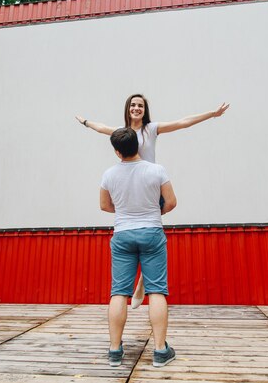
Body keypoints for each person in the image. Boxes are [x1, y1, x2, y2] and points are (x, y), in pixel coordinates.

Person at [77, 94, 229, 308]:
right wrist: (85, 122)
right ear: (127, 109)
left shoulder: (151, 129)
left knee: (150, 235)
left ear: (144, 109)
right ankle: (142, 282)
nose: (136, 108)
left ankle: (142, 283)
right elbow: (101, 127)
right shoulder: (122, 132)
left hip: (150, 187)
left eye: (140, 105)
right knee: (145, 237)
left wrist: (212, 114)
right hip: (130, 187)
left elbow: (182, 122)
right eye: (133, 105)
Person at [100, 127, 177, 367]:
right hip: (152, 232)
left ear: (116, 151)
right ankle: (160, 351)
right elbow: (172, 202)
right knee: (156, 291)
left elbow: (104, 206)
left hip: (123, 233)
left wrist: (126, 211)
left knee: (119, 293)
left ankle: (114, 351)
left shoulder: (109, 175)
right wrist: (155, 211)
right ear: (139, 145)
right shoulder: (157, 170)